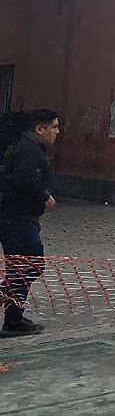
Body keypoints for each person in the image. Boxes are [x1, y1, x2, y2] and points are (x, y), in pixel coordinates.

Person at [0, 110, 60, 337]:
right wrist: (44, 196)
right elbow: (24, 179)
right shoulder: (27, 150)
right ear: (40, 129)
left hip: (20, 217)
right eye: (53, 127)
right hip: (17, 219)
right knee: (30, 266)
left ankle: (14, 318)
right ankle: (12, 319)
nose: (57, 132)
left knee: (23, 269)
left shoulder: (29, 148)